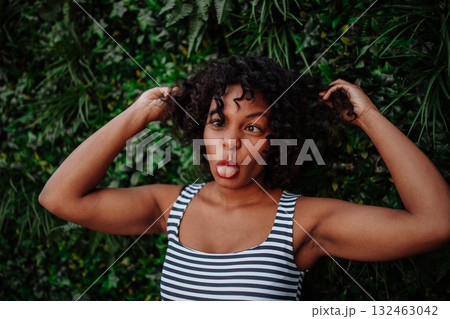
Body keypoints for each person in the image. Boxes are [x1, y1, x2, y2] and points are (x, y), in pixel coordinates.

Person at [39, 55, 450, 300]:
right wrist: (139, 113)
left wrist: (369, 118)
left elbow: (436, 223)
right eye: (218, 122)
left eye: (252, 128)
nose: (230, 143)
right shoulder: (169, 207)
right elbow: (59, 198)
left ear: (277, 139)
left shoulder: (303, 222)